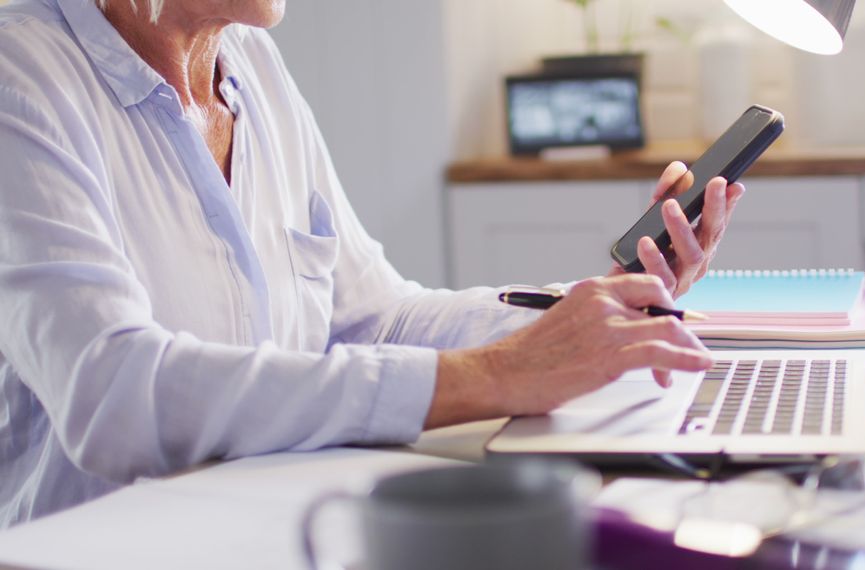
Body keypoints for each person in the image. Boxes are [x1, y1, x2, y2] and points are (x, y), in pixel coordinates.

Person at [0, 0, 746, 527]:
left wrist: (590, 311)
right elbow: (115, 396)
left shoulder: (251, 65)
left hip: (260, 530)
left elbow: (371, 315)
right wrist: (495, 376)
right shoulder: (20, 78)